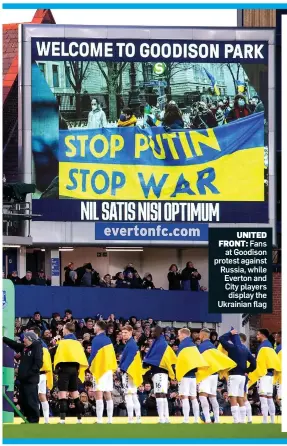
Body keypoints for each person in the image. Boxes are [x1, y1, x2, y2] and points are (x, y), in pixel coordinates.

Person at [197, 328, 236, 424]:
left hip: (206, 374)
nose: (199, 336)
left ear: (202, 335)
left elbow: (199, 362)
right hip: (214, 375)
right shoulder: (212, 346)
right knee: (212, 397)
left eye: (200, 335)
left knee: (202, 396)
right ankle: (217, 420)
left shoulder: (202, 347)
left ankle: (207, 419)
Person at [3, 331, 43, 423]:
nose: (23, 339)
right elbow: (13, 344)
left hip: (31, 380)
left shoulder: (36, 348)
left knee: (31, 401)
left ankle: (34, 421)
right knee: (24, 401)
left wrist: (28, 374)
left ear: (29, 339)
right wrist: (3, 338)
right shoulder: (24, 348)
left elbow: (38, 364)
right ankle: (29, 419)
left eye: (25, 338)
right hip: (23, 380)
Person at [54, 322, 89, 424]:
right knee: (75, 393)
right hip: (74, 370)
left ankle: (62, 420)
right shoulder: (78, 343)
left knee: (62, 394)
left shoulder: (63, 342)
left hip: (64, 370)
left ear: (67, 329)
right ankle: (79, 419)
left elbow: (58, 356)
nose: (62, 331)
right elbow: (81, 357)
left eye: (64, 329)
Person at [218, 329, 256, 424]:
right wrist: (247, 370)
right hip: (243, 376)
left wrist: (230, 333)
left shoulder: (232, 347)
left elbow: (221, 339)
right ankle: (243, 420)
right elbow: (254, 363)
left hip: (234, 376)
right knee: (241, 397)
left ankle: (236, 420)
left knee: (233, 397)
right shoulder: (245, 349)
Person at [143, 326, 177, 424]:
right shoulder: (160, 343)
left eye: (153, 331)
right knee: (163, 395)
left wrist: (147, 361)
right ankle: (165, 418)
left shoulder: (160, 344)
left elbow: (157, 358)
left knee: (159, 395)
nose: (151, 333)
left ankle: (162, 418)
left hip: (160, 373)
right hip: (161, 374)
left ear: (158, 332)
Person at [248, 329, 281, 424]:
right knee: (269, 398)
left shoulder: (263, 347)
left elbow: (260, 363)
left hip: (264, 375)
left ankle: (265, 421)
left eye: (258, 334)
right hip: (270, 375)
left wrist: (255, 373)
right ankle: (272, 421)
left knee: (263, 398)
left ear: (263, 335)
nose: (257, 336)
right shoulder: (270, 345)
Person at [176, 328, 208, 424]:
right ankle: (196, 419)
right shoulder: (194, 346)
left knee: (184, 397)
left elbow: (179, 360)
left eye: (179, 334)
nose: (178, 336)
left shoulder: (182, 345)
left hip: (185, 375)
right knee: (193, 397)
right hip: (193, 376)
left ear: (183, 334)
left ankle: (186, 419)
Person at [89, 321, 117, 424]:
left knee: (98, 394)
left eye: (95, 326)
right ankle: (110, 420)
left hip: (100, 370)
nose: (93, 327)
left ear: (99, 327)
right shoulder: (108, 339)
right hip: (108, 369)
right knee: (108, 393)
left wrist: (87, 364)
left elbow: (93, 355)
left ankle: (99, 420)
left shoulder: (96, 339)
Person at [119, 325, 143, 423]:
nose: (123, 334)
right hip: (131, 372)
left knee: (129, 396)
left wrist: (122, 368)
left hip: (129, 372)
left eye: (125, 333)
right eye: (122, 333)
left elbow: (129, 359)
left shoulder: (131, 344)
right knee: (133, 395)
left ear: (130, 332)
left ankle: (131, 419)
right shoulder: (131, 343)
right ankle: (137, 418)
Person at [30, 326, 53, 424]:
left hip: (37, 374)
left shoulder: (35, 344)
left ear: (35, 334)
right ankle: (46, 420)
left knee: (35, 396)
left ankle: (36, 419)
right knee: (42, 396)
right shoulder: (44, 345)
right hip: (43, 374)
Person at [238, 333, 254, 423]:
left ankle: (246, 419)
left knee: (243, 397)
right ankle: (249, 418)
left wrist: (247, 371)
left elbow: (252, 362)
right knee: (243, 397)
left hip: (242, 376)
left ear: (242, 340)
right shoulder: (245, 349)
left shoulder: (243, 349)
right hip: (243, 376)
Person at [275, 331, 282, 406]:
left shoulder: (279, 349)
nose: (275, 339)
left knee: (279, 397)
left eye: (277, 337)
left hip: (281, 377)